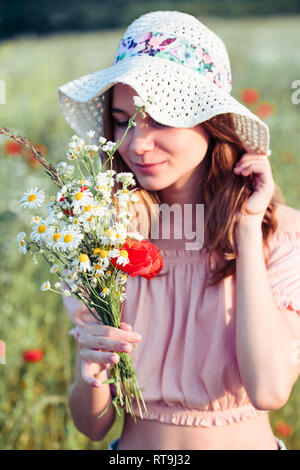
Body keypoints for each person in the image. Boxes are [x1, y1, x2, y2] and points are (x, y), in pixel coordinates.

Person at [58, 10, 300, 450]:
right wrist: (90, 375)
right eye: (122, 120)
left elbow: (268, 389)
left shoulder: (278, 235)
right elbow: (91, 426)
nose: (136, 143)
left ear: (211, 121)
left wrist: (245, 229)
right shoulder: (104, 242)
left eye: (161, 119)